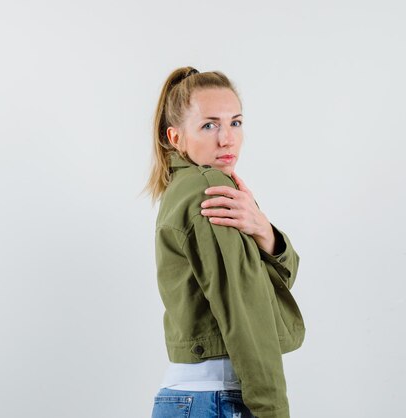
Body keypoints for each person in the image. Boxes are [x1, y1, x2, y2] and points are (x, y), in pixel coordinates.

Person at [143, 67, 305, 418]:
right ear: (175, 137)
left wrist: (266, 232)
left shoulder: (183, 188)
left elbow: (271, 288)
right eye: (209, 125)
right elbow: (248, 310)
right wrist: (273, 411)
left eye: (235, 122)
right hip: (217, 401)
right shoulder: (210, 189)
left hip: (189, 399)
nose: (227, 138)